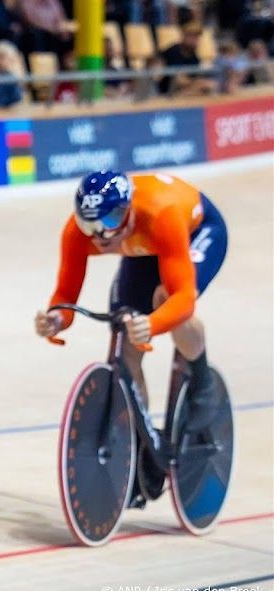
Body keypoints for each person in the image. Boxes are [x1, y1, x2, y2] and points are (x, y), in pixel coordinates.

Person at [35, 171, 228, 486]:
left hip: (193, 232)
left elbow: (183, 300)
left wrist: (152, 324)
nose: (99, 235)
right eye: (89, 224)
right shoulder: (79, 232)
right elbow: (66, 296)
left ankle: (202, 382)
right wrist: (57, 319)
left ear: (128, 211)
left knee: (164, 298)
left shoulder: (160, 215)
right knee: (125, 342)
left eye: (109, 222)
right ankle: (143, 443)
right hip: (142, 245)